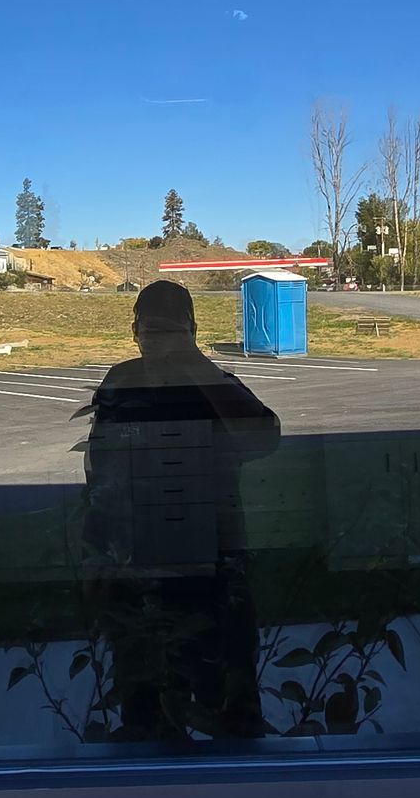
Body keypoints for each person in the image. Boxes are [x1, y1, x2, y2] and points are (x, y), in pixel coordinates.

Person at [80, 278, 281, 741]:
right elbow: (101, 470)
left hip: (214, 554)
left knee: (231, 695)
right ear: (134, 332)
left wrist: (195, 368)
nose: (155, 342)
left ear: (192, 331)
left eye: (168, 330)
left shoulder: (213, 383)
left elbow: (265, 437)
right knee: (143, 700)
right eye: (147, 330)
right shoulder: (122, 381)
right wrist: (99, 552)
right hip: (140, 557)